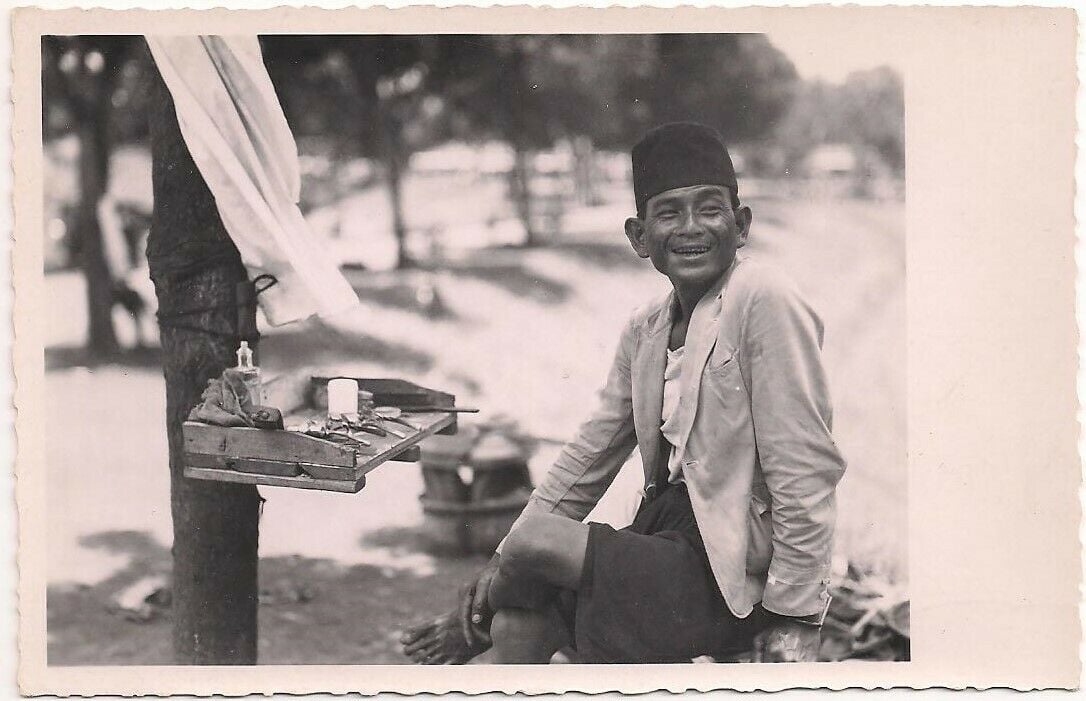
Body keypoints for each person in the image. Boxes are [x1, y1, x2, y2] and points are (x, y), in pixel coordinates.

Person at [401, 122, 847, 664]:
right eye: (668, 213)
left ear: (741, 224)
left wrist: (795, 616)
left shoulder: (762, 296)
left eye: (710, 209)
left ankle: (466, 629)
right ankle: (488, 638)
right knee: (519, 624)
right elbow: (590, 453)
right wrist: (500, 562)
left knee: (533, 544)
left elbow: (804, 466)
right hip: (667, 534)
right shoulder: (647, 328)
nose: (691, 228)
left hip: (730, 571)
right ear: (639, 236)